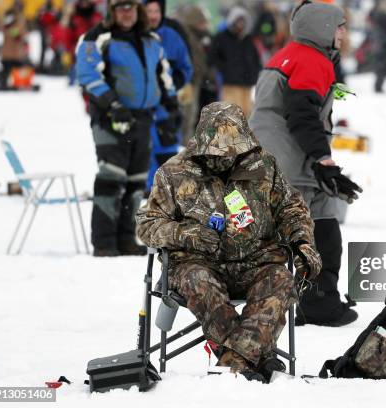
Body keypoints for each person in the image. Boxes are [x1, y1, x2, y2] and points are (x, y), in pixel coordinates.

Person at [136, 101, 321, 383]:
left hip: (256, 261)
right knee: (199, 280)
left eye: (232, 150)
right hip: (197, 265)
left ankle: (233, 362)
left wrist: (302, 242)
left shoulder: (264, 166)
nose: (224, 157)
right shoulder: (173, 172)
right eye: (216, 151)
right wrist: (187, 234)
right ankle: (257, 356)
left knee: (282, 280)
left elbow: (291, 209)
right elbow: (147, 224)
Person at [250, 0, 362, 327]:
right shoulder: (312, 59)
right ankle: (310, 302)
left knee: (324, 220)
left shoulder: (289, 54)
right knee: (300, 232)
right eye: (340, 27)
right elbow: (302, 115)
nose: (344, 33)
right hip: (291, 159)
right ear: (323, 27)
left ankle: (321, 299)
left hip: (282, 154)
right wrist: (322, 160)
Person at [76, 0, 178, 256]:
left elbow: (162, 75)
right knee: (111, 176)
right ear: (112, 11)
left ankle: (125, 237)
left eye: (130, 7)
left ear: (137, 10)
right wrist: (112, 103)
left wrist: (170, 110)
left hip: (143, 118)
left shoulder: (151, 38)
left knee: (136, 181)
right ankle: (103, 241)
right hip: (110, 116)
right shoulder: (97, 37)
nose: (126, 12)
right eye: (120, 7)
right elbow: (87, 74)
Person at [144, 0, 193, 193]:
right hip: (143, 106)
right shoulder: (136, 37)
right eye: (149, 11)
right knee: (144, 151)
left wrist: (175, 82)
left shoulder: (172, 36)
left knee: (167, 150)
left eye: (156, 11)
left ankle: (168, 192)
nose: (153, 15)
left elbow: (186, 66)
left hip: (166, 106)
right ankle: (147, 190)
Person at [176, 5, 220, 144]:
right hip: (187, 82)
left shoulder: (204, 37)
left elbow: (207, 59)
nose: (205, 25)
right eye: (202, 22)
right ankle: (183, 143)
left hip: (199, 80)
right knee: (187, 114)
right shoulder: (186, 36)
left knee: (194, 113)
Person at [210, 6, 262, 117]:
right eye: (238, 21)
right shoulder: (222, 38)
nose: (240, 25)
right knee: (230, 114)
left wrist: (255, 75)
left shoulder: (249, 40)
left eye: (243, 21)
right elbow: (213, 58)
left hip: (248, 84)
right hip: (230, 84)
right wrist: (224, 70)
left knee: (247, 114)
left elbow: (256, 60)